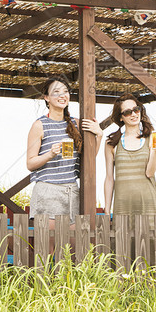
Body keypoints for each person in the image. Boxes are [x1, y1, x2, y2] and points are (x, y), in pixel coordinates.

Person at [25, 76, 103, 223]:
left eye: (65, 91)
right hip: (47, 192)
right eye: (56, 92)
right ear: (46, 98)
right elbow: (30, 164)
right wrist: (50, 154)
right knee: (49, 244)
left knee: (72, 244)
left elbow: (89, 159)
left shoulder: (76, 123)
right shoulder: (39, 125)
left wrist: (99, 135)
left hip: (71, 191)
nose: (62, 95)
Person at [103, 94, 156, 215]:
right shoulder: (111, 143)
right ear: (121, 117)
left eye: (136, 110)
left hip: (149, 205)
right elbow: (109, 178)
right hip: (122, 207)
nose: (134, 114)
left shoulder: (151, 137)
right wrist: (107, 209)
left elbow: (150, 173)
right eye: (127, 112)